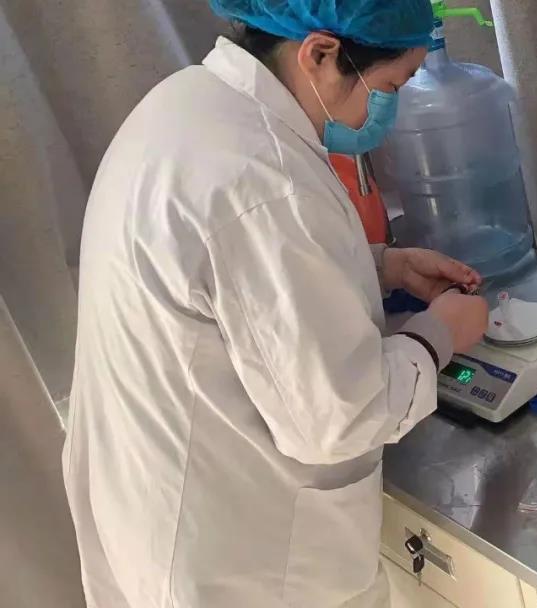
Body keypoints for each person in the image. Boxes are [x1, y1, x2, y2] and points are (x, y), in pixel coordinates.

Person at [62, 1, 489, 606]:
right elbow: (340, 417)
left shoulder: (189, 104)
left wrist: (380, 264)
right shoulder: (263, 177)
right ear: (321, 54)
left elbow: (229, 277)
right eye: (391, 86)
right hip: (244, 563)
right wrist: (438, 333)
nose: (386, 112)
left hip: (155, 510)